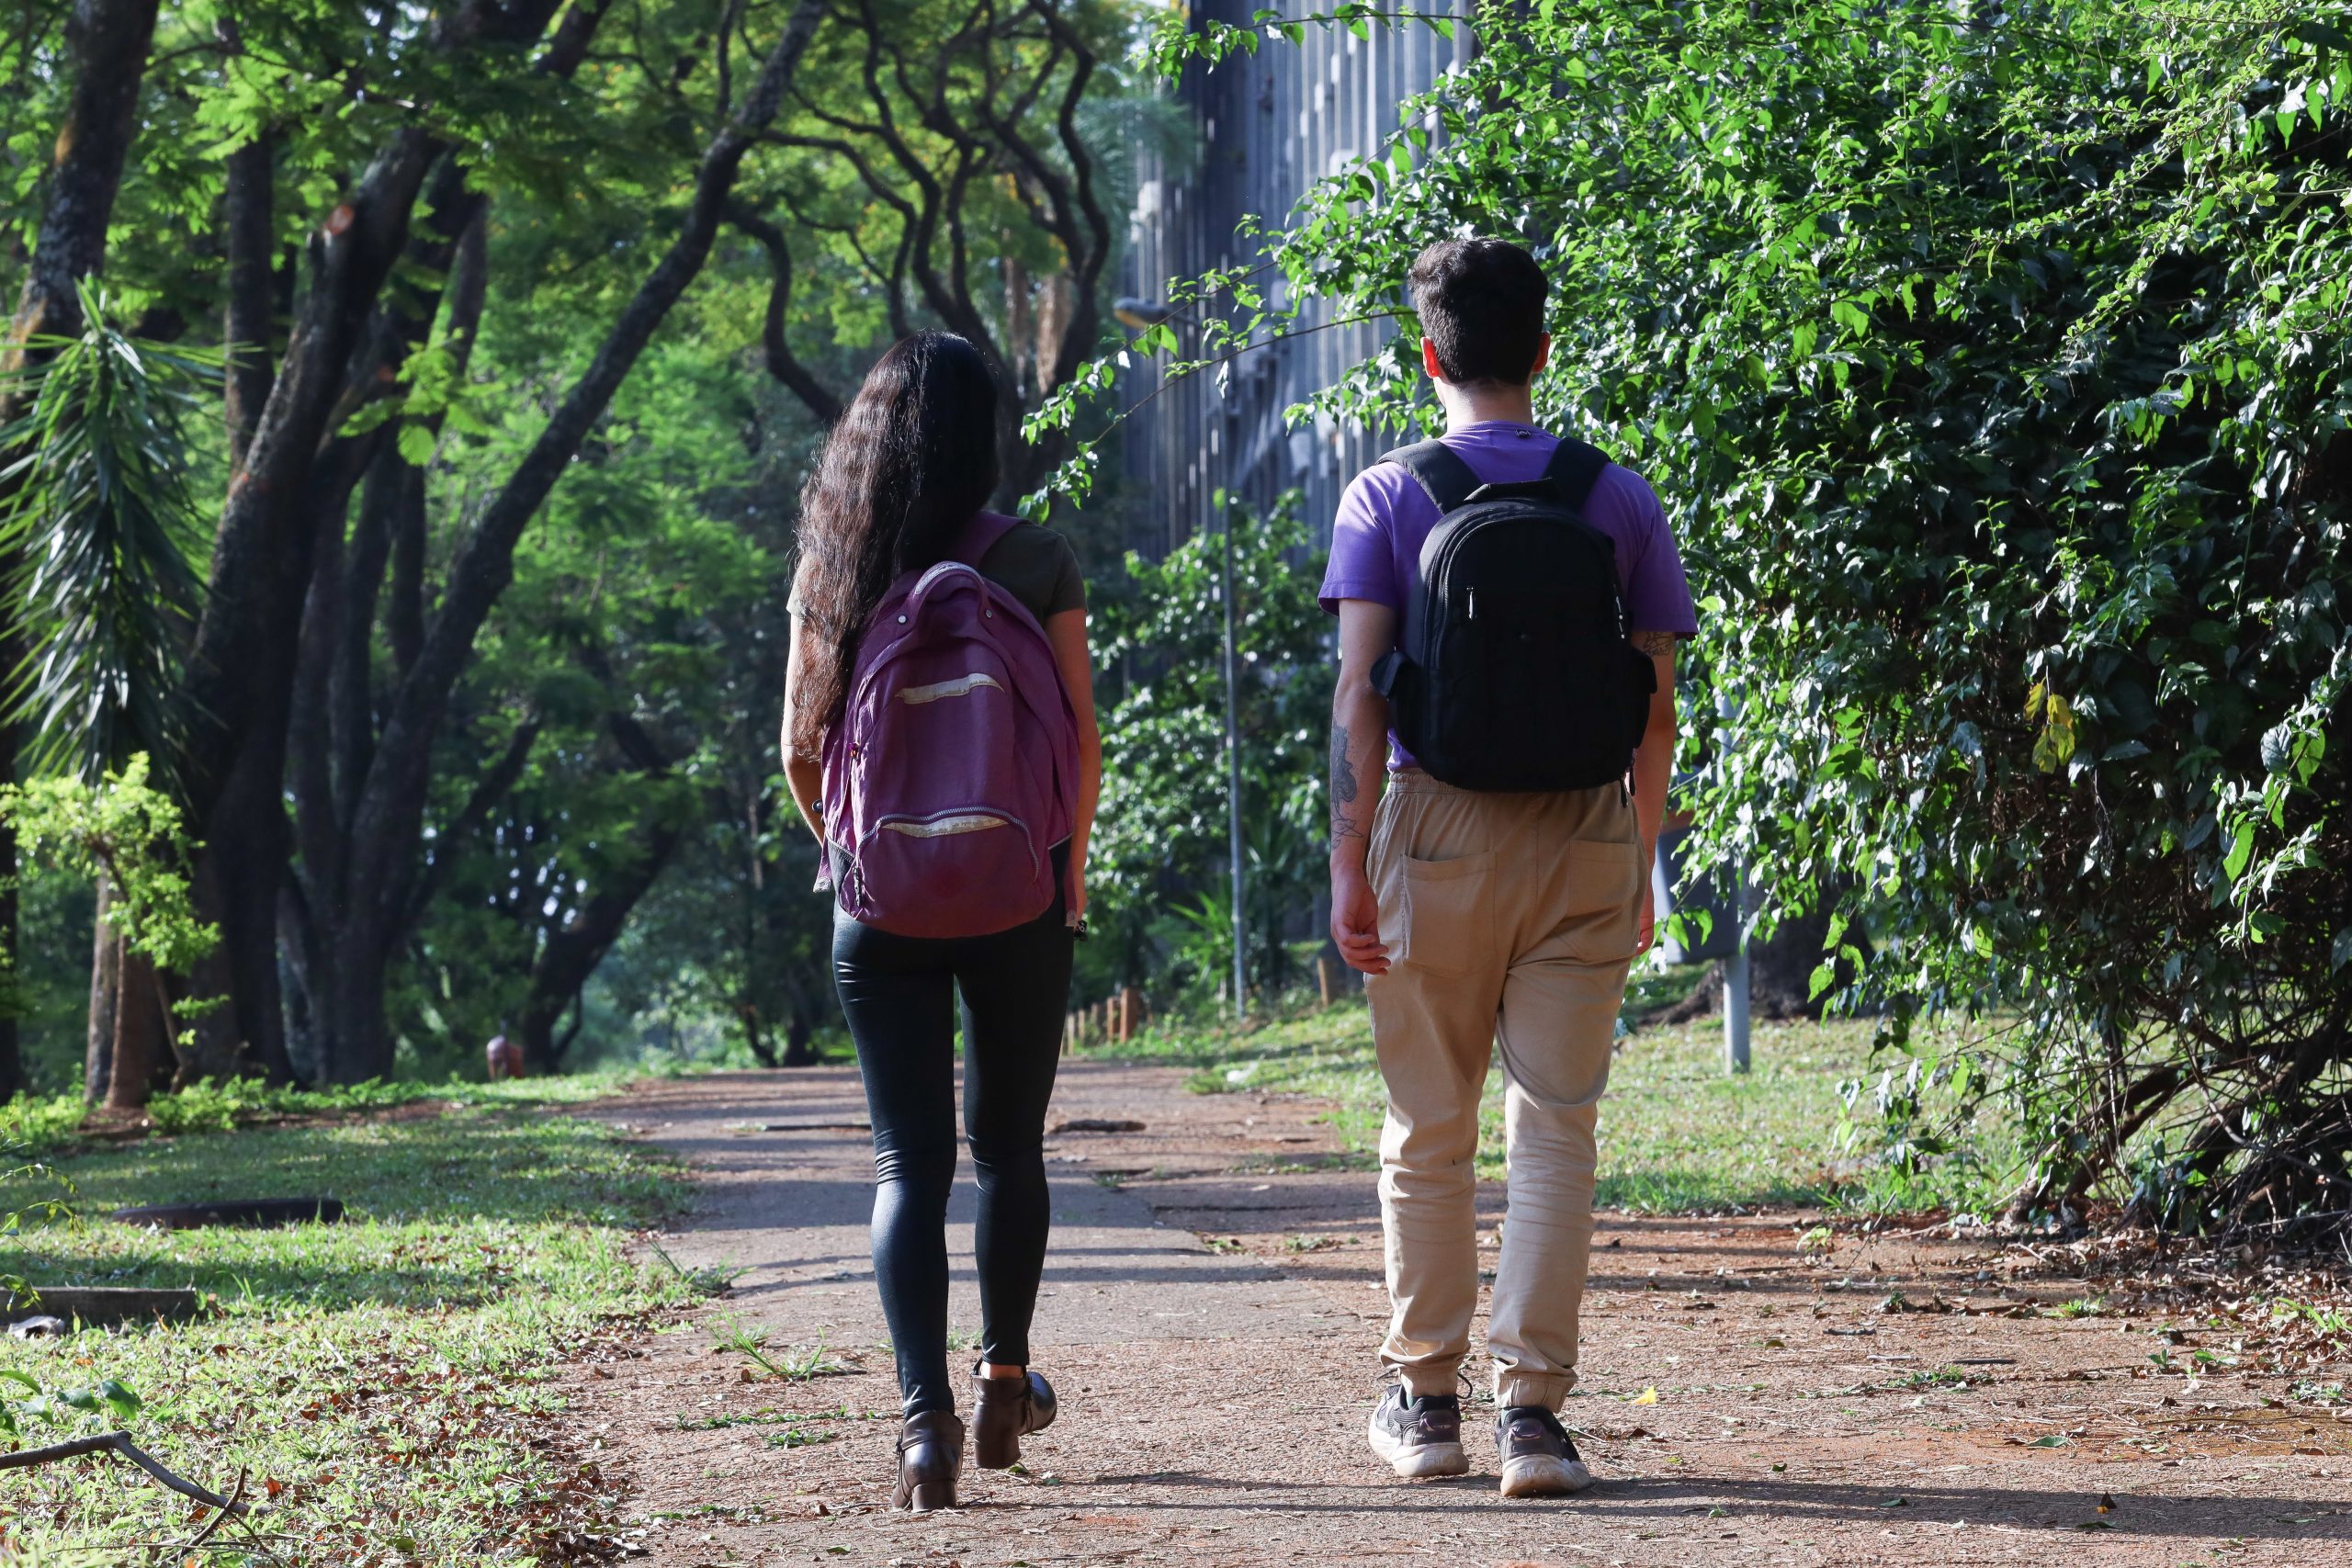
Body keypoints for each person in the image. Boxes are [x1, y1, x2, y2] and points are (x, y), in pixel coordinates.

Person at [1321, 238, 1696, 1497]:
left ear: (1427, 354)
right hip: (1588, 827)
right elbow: (1656, 707)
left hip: (1433, 828)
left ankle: (1426, 1407)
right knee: (1557, 1129)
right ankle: (1533, 1418)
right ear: (1543, 349)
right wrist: (1639, 856)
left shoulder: (1386, 494)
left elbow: (1360, 699)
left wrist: (1350, 865)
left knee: (1429, 1129)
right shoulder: (1617, 495)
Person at [779, 332, 1102, 1514]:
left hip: (882, 906)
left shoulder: (837, 566)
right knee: (1009, 1147)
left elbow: (799, 753)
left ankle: (927, 1426)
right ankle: (1007, 1375)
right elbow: (1078, 736)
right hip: (1020, 886)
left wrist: (853, 857)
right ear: (989, 436)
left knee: (906, 1163)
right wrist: (1063, 868)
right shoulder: (1035, 559)